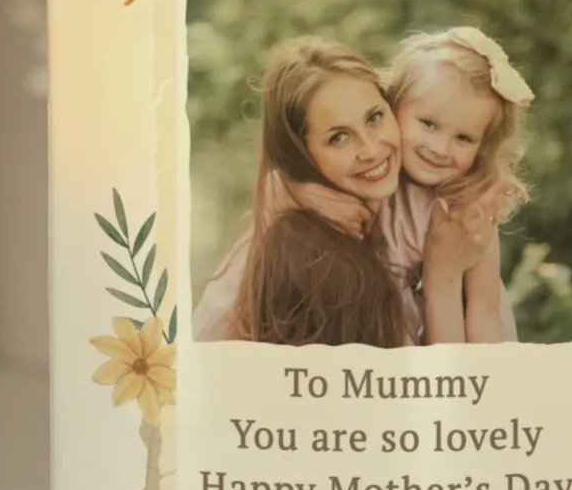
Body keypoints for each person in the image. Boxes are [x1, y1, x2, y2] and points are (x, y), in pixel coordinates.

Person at [192, 38, 492, 346]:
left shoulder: (425, 201)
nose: (371, 150)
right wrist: (442, 276)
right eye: (338, 138)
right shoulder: (316, 265)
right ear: (301, 154)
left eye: (374, 117)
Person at [281, 27, 533, 343]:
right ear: (394, 104)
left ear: (483, 146)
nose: (440, 148)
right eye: (428, 124)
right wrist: (300, 192)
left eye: (463, 138)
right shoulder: (370, 180)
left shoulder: (470, 206)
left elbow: (485, 310)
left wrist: (482, 369)